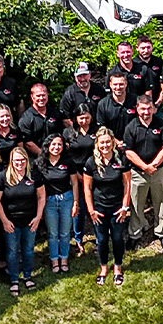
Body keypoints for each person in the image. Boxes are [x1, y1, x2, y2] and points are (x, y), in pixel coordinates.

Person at [122, 95, 163, 251]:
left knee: (161, 203)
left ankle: (161, 233)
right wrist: (145, 167)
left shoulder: (162, 125)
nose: (146, 112)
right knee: (136, 204)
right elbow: (128, 152)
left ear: (153, 108)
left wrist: (154, 165)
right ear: (137, 108)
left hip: (159, 171)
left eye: (148, 108)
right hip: (138, 173)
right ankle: (135, 234)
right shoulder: (131, 127)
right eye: (142, 108)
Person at [86, 127, 133, 285]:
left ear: (113, 142)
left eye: (108, 142)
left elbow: (127, 185)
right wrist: (91, 210)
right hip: (99, 208)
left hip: (117, 208)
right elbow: (87, 188)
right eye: (102, 142)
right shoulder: (91, 162)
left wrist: (125, 207)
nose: (105, 145)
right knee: (102, 239)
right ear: (97, 144)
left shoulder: (121, 159)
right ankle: (104, 267)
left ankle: (118, 267)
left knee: (118, 238)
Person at [0, 147, 45, 295]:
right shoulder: (2, 177)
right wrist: (4, 221)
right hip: (11, 222)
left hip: (30, 221)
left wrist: (38, 217)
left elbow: (42, 197)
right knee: (12, 251)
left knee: (29, 250)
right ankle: (14, 279)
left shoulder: (34, 175)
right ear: (11, 161)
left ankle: (28, 276)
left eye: (23, 159)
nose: (20, 163)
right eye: (17, 160)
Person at [38, 133, 78, 274]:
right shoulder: (40, 163)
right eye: (53, 144)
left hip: (66, 199)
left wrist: (75, 202)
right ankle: (54, 260)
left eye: (59, 144)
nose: (56, 147)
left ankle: (64, 259)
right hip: (49, 201)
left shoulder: (68, 162)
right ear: (48, 146)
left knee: (65, 232)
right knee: (52, 233)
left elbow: (74, 183)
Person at [61, 108, 98, 256]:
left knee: (96, 207)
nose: (84, 121)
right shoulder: (68, 133)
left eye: (87, 118)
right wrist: (76, 175)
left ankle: (99, 237)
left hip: (95, 174)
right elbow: (65, 156)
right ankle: (78, 239)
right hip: (75, 175)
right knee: (78, 209)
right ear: (76, 118)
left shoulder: (97, 130)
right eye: (81, 118)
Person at [18, 83, 62, 161]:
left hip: (56, 157)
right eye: (38, 96)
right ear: (32, 97)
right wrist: (44, 155)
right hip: (35, 159)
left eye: (43, 95)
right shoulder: (26, 118)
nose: (41, 98)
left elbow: (59, 134)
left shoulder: (54, 113)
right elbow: (28, 143)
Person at [94, 71, 135, 140]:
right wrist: (116, 142)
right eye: (115, 84)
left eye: (121, 84)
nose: (118, 87)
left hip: (132, 143)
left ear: (126, 84)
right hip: (111, 144)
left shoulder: (136, 101)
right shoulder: (103, 104)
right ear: (110, 85)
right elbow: (102, 128)